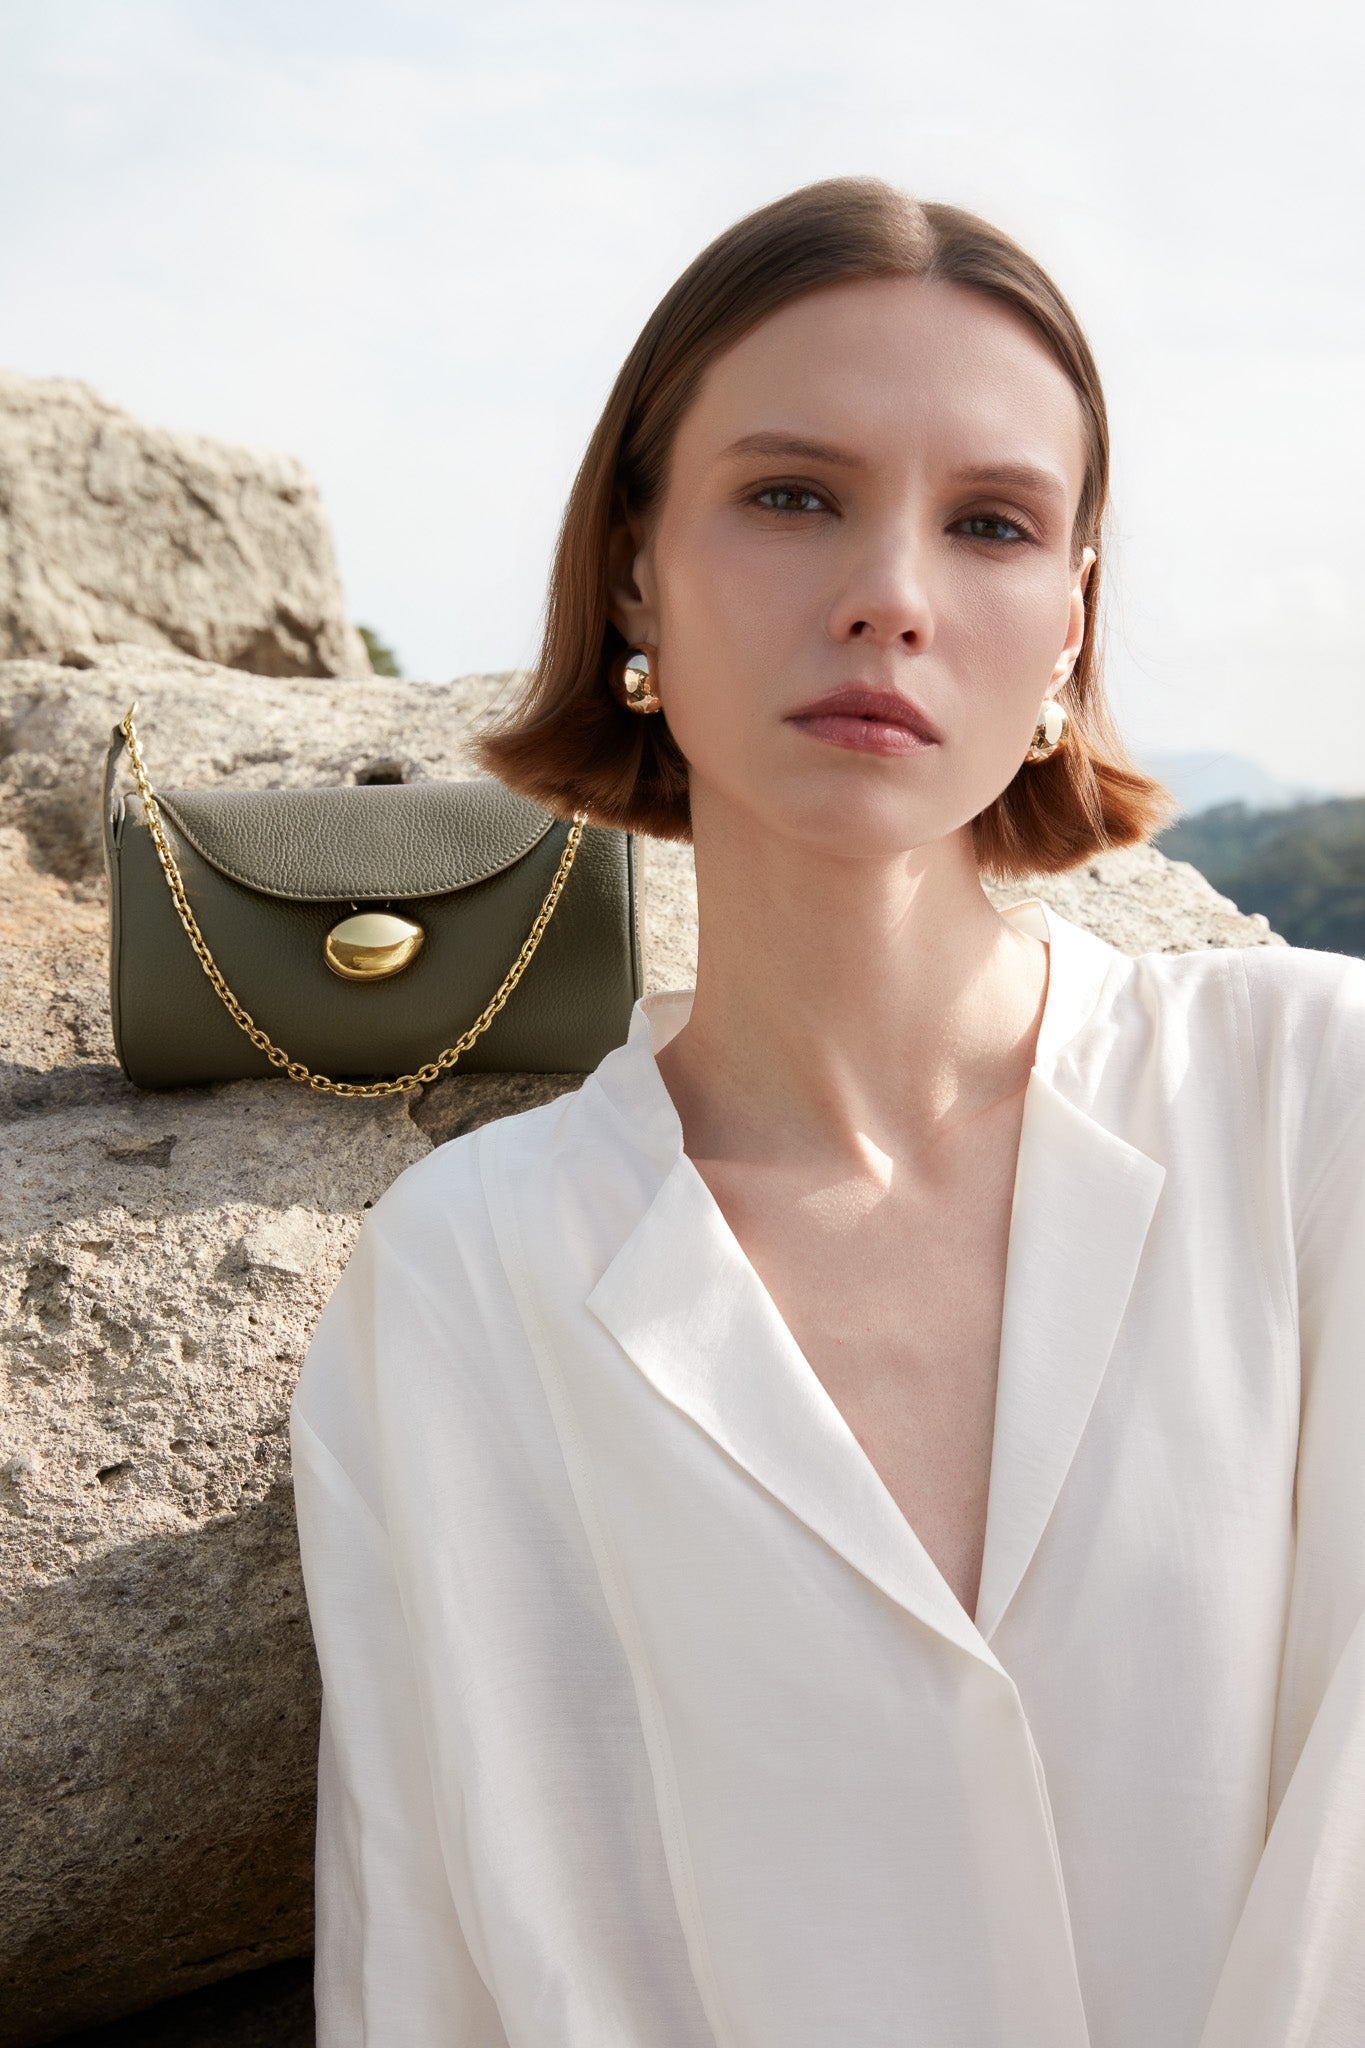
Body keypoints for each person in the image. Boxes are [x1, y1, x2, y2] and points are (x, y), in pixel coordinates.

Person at [289, 177, 1365, 2047]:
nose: (890, 595)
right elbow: (442, 1977)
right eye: (792, 495)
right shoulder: (466, 1284)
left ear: (1068, 621)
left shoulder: (1309, 1104)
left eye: (991, 523)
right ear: (634, 565)